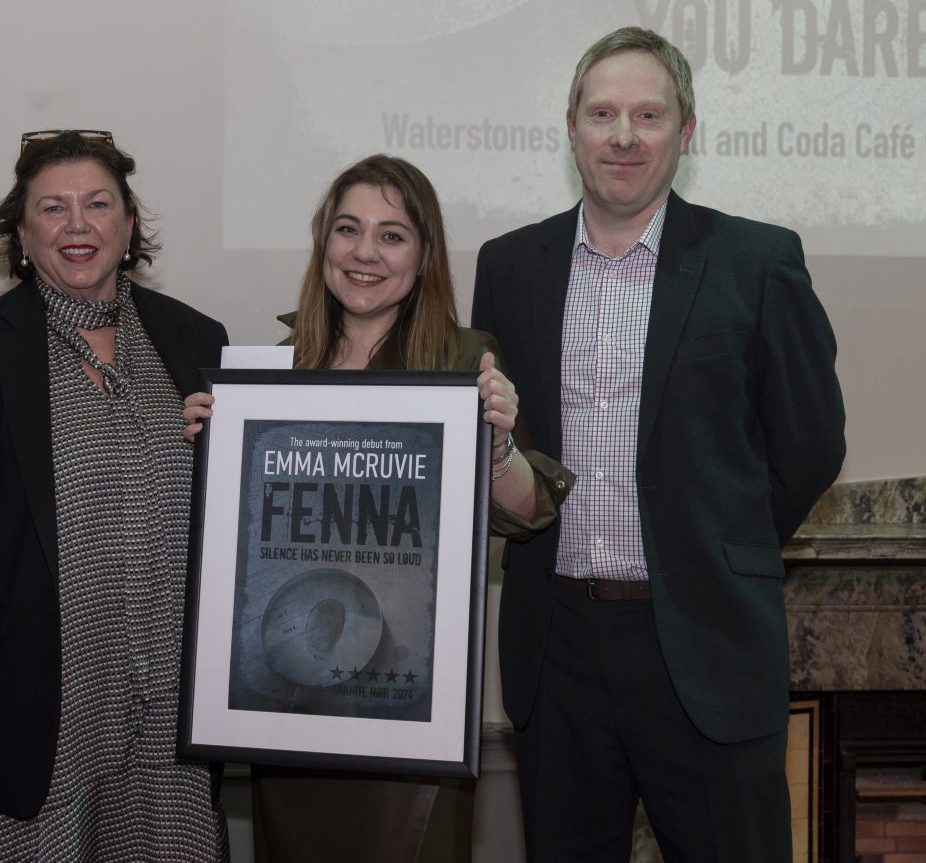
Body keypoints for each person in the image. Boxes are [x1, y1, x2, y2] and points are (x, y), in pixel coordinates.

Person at [471, 26, 846, 862]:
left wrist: (721, 544)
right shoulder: (509, 265)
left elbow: (812, 442)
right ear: (571, 128)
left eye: (649, 113)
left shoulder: (757, 260)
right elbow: (503, 446)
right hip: (557, 647)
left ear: (688, 130)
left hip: (706, 640)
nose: (625, 135)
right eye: (603, 112)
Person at [184, 154, 574, 863]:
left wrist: (497, 449)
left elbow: (529, 510)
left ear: (423, 255)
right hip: (293, 719)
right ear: (322, 243)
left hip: (407, 721)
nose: (365, 252)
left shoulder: (466, 360)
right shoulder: (275, 368)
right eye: (347, 229)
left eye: (392, 235)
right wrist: (215, 444)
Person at [0, 130, 231, 861]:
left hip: (170, 710)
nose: (78, 225)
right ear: (21, 234)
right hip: (25, 704)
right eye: (53, 209)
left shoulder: (197, 341)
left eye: (98, 204)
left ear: (127, 224)